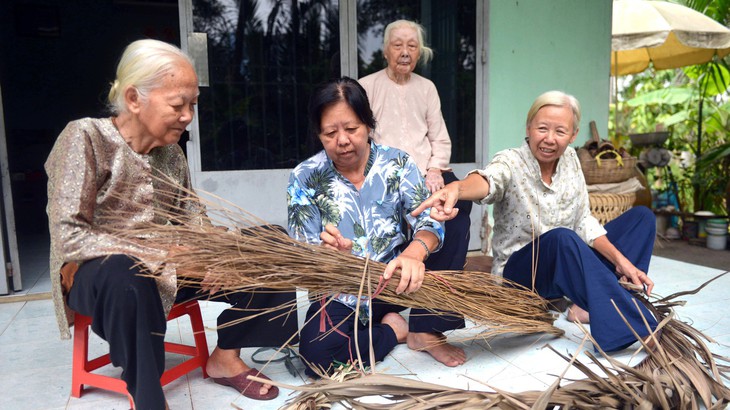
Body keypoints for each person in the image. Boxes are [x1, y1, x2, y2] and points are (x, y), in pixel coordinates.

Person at [46, 39, 278, 409]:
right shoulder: (86, 138)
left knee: (270, 243)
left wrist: (215, 253)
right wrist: (160, 254)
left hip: (172, 270)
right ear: (135, 99)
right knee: (127, 273)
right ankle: (147, 395)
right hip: (101, 276)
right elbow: (69, 236)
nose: (188, 116)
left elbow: (193, 217)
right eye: (177, 105)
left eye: (193, 105)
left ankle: (226, 356)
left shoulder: (171, 153)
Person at [412, 91, 659, 353]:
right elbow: (489, 180)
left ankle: (584, 306)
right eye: (542, 128)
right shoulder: (511, 161)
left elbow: (584, 220)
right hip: (522, 274)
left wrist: (622, 261)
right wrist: (458, 189)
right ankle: (629, 324)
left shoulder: (572, 161)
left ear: (573, 135)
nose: (549, 139)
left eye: (560, 132)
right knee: (561, 239)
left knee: (641, 219)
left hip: (565, 257)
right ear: (529, 127)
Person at [287, 77, 467, 377]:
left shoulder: (397, 163)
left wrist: (414, 252)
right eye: (330, 133)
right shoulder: (305, 177)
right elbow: (301, 251)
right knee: (317, 358)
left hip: (394, 283)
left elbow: (427, 219)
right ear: (319, 134)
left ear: (369, 125)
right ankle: (393, 331)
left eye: (352, 129)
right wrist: (328, 255)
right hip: (341, 293)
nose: (342, 140)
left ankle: (427, 329)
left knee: (454, 211)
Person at [359, 19, 472, 273]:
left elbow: (440, 138)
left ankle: (443, 278)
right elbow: (361, 139)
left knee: (459, 203)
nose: (405, 52)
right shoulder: (367, 87)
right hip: (385, 173)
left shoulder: (426, 88)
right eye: (398, 45)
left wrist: (435, 169)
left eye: (412, 46)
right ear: (386, 50)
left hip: (424, 172)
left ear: (419, 53)